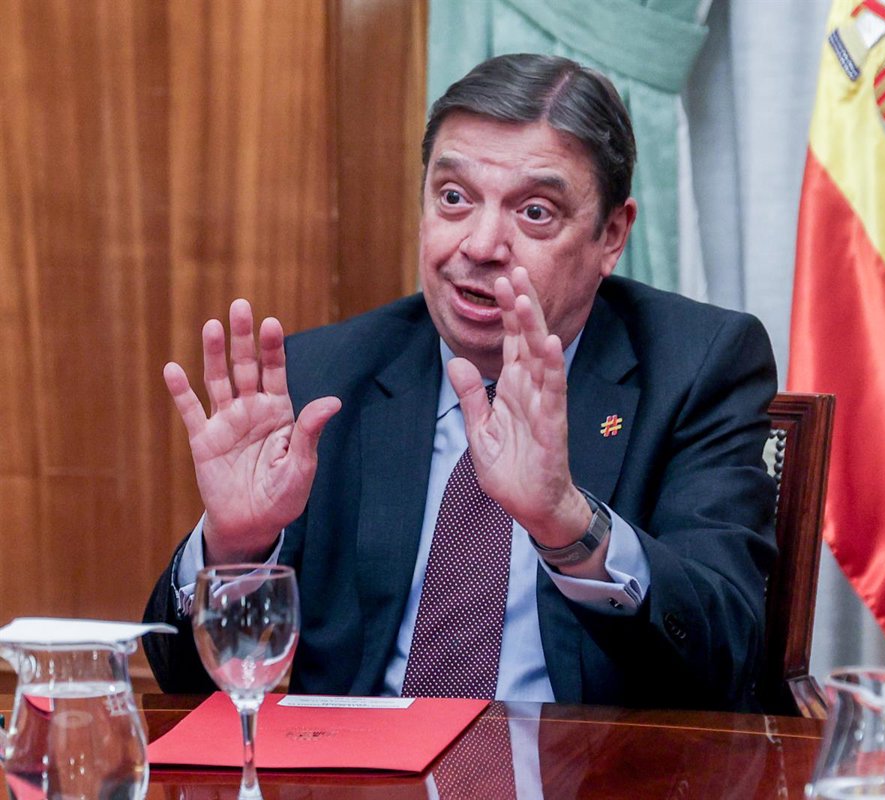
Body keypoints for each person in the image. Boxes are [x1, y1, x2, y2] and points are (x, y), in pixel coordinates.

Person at [144, 53, 778, 711]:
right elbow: (182, 679)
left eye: (535, 212)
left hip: (587, 761)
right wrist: (236, 547)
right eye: (454, 198)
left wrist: (569, 525)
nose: (480, 244)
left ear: (611, 235)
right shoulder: (325, 379)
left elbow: (729, 660)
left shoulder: (696, 367)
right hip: (359, 763)